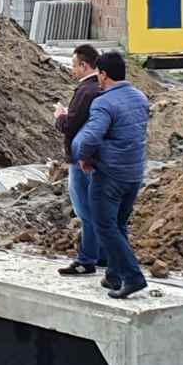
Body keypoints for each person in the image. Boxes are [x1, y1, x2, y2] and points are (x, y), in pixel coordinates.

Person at [71, 52, 150, 300]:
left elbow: (91, 136)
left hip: (110, 175)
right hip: (134, 173)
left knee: (105, 225)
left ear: (103, 74)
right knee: (119, 224)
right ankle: (114, 275)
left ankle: (133, 277)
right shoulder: (140, 97)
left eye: (100, 76)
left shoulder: (104, 102)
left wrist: (83, 156)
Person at [54, 44, 103, 276]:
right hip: (99, 157)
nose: (72, 70)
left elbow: (70, 125)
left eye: (74, 65)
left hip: (81, 158)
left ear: (84, 65)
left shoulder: (86, 91)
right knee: (100, 209)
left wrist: (60, 117)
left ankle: (87, 259)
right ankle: (103, 254)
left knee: (85, 210)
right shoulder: (104, 88)